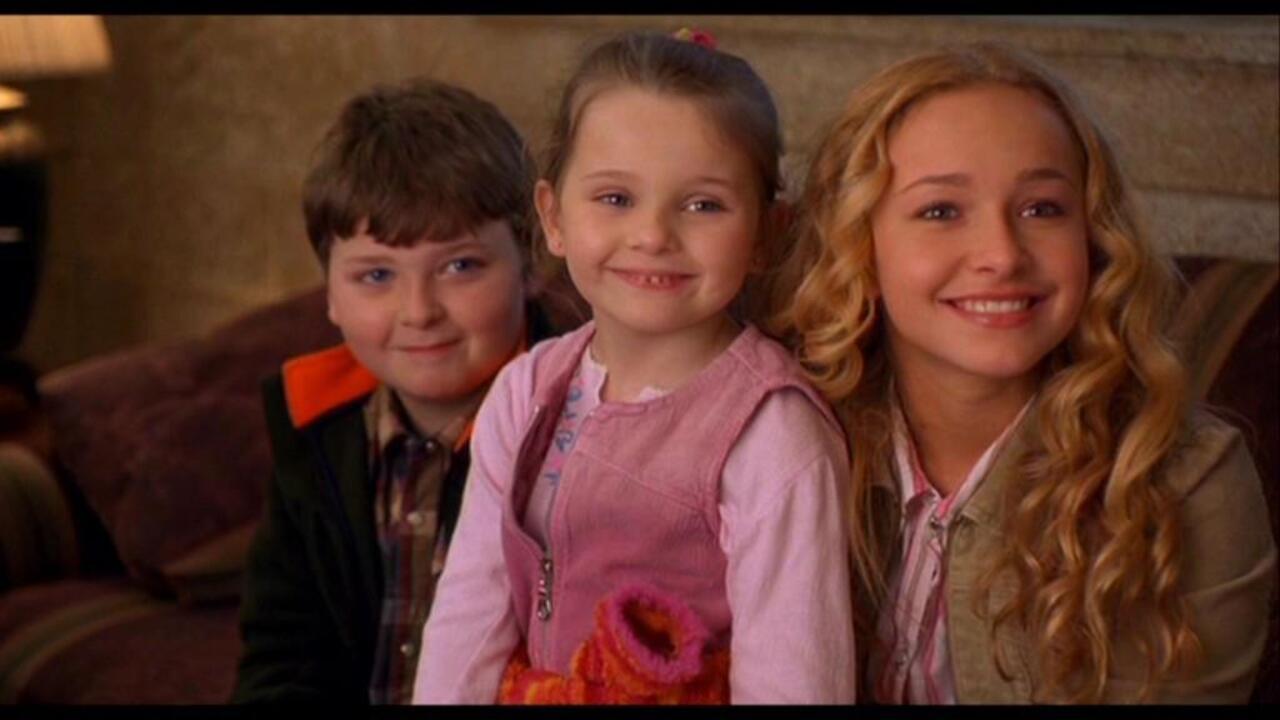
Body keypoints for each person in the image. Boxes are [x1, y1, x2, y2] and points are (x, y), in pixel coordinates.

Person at [775, 43, 1277, 703]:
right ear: (857, 245)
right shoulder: (783, 436)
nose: (1002, 255)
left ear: (1093, 238)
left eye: (1042, 208)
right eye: (941, 211)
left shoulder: (1183, 481)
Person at [412, 30, 855, 705]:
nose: (653, 236)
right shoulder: (526, 390)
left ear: (766, 232)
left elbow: (796, 681)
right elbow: (469, 616)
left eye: (703, 205)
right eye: (616, 198)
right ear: (553, 217)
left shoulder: (773, 433)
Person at [232, 77, 563, 704]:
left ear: (530, 264)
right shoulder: (316, 430)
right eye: (377, 275)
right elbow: (282, 654)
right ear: (330, 293)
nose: (418, 312)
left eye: (460, 266)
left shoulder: (579, 431)